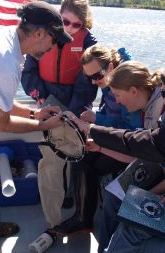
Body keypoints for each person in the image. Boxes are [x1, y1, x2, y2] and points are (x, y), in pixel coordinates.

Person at [0, 1, 73, 253]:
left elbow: (2, 101)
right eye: (53, 41)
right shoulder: (3, 58)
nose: (53, 47)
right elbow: (2, 123)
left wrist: (35, 112)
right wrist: (43, 125)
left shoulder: (11, 42)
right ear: (39, 33)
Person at [21, 0, 98, 230]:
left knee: (76, 158)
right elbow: (29, 74)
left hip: (76, 105)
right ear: (58, 18)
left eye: (78, 24)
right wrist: (44, 101)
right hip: (48, 102)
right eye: (65, 22)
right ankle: (53, 220)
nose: (71, 28)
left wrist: (71, 114)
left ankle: (73, 201)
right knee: (51, 161)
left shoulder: (89, 43)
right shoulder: (43, 36)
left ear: (84, 24)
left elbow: (87, 83)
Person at [71, 67, 165, 253]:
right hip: (156, 165)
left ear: (133, 91)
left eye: (118, 95)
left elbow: (143, 145)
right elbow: (142, 152)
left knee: (130, 231)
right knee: (114, 197)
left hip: (158, 170)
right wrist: (101, 148)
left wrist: (91, 128)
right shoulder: (147, 109)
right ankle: (104, 250)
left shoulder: (156, 113)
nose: (117, 100)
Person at [53, 46, 143, 235]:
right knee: (80, 154)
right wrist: (95, 116)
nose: (94, 82)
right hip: (113, 137)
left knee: (87, 163)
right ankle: (82, 215)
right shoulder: (109, 80)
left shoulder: (125, 84)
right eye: (89, 78)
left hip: (128, 146)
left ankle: (83, 218)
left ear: (110, 66)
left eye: (97, 76)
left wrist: (97, 120)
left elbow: (132, 130)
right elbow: (110, 111)